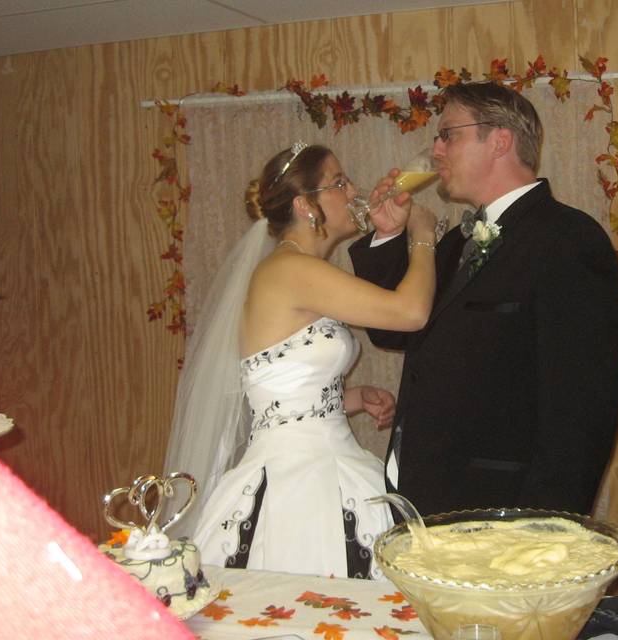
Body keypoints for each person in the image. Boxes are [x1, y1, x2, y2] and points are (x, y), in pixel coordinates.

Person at [349, 81, 618, 517]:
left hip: (501, 509)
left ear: (500, 140)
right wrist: (388, 234)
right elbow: (393, 327)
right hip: (427, 495)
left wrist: (545, 528)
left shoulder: (567, 240)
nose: (436, 150)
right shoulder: (457, 242)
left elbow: (582, 409)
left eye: (449, 135)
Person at [162, 143, 437, 580]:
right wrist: (422, 235)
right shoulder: (291, 271)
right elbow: (410, 313)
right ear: (305, 205)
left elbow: (281, 396)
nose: (356, 191)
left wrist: (354, 396)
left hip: (327, 462)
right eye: (340, 183)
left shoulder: (300, 270)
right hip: (299, 485)